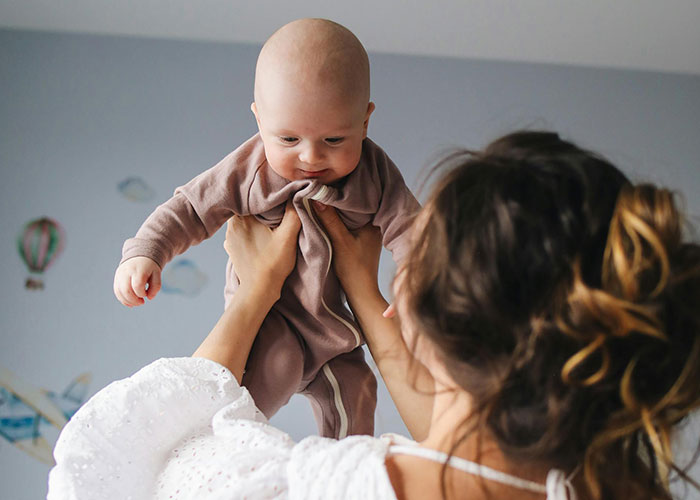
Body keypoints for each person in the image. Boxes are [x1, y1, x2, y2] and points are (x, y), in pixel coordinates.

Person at [51, 131, 700, 499]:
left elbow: (154, 448)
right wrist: (363, 291)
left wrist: (257, 288)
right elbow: (468, 434)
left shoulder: (321, 488)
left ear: (419, 305)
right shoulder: (596, 490)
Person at [112, 18, 419, 439]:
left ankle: (339, 475)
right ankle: (222, 459)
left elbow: (410, 225)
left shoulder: (375, 174)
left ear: (365, 122)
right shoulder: (250, 169)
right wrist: (147, 251)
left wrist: (416, 274)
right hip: (272, 325)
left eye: (334, 140)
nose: (311, 156)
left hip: (335, 334)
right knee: (242, 400)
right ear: (259, 121)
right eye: (289, 139)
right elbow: (190, 207)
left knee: (358, 393)